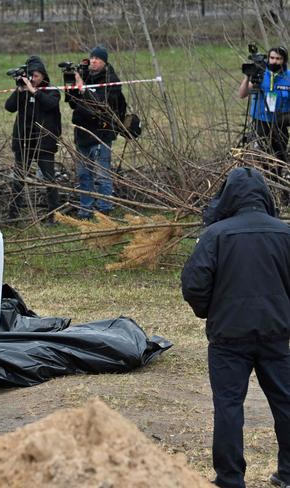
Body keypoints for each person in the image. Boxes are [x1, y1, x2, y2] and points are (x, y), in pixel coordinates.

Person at [181, 167, 290, 488]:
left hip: (229, 336)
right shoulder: (285, 234)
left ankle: (230, 479)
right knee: (285, 403)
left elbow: (194, 284)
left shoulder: (216, 235)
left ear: (229, 196)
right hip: (276, 333)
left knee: (228, 406)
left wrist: (209, 312)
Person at [66, 45, 124, 219]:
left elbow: (101, 106)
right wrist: (72, 86)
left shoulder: (111, 80)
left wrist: (84, 89)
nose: (93, 61)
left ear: (104, 62)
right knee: (84, 175)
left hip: (101, 133)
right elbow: (72, 103)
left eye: (97, 58)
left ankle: (104, 209)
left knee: (102, 174)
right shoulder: (85, 76)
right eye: (92, 58)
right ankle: (86, 209)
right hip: (82, 133)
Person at [5, 56, 61, 223]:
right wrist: (20, 91)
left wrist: (34, 92)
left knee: (50, 180)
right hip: (24, 142)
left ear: (43, 76)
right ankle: (13, 216)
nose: (34, 79)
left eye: (36, 76)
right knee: (19, 180)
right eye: (31, 76)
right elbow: (9, 107)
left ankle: (53, 216)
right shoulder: (23, 91)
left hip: (44, 143)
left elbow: (50, 104)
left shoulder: (51, 91)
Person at [238, 46, 290, 204]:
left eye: (278, 59)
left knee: (279, 159)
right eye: (272, 58)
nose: (274, 61)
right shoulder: (261, 74)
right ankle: (264, 193)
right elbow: (242, 94)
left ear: (284, 61)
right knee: (262, 160)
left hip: (280, 124)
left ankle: (282, 194)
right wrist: (248, 77)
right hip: (260, 122)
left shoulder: (288, 78)